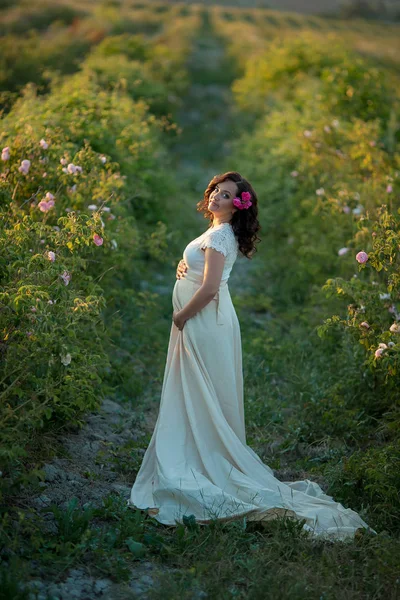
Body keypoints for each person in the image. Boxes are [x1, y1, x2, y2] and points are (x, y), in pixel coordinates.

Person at [127, 171, 377, 541]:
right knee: (198, 391)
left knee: (201, 392)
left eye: (226, 195)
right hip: (206, 322)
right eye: (215, 190)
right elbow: (203, 272)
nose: (215, 196)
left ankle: (202, 460)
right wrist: (182, 268)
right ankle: (196, 450)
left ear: (236, 205)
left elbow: (210, 288)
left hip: (202, 322)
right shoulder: (216, 233)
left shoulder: (220, 235)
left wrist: (181, 315)